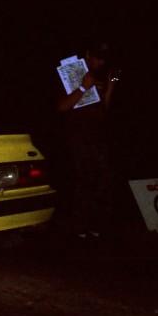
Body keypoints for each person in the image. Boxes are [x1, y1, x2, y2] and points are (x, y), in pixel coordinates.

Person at [55, 40, 121, 240]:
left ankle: (97, 226)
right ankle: (77, 227)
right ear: (88, 55)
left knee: (102, 180)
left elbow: (104, 110)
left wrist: (111, 86)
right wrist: (83, 88)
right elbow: (61, 107)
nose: (100, 63)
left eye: (104, 60)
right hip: (77, 136)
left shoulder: (101, 76)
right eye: (97, 57)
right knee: (83, 180)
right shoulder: (70, 73)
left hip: (98, 136)